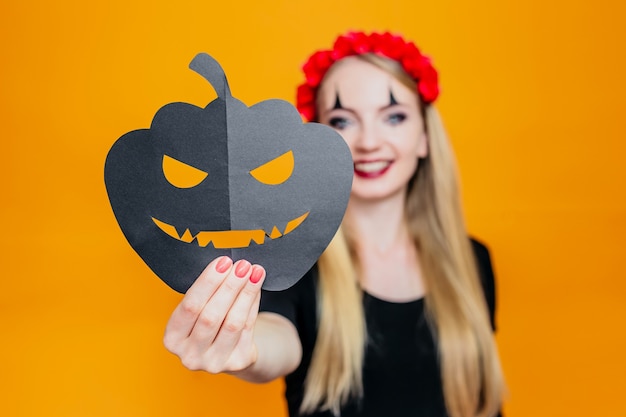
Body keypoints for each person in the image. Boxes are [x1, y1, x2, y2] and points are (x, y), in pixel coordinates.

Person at [163, 31, 505, 417]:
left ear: (424, 136)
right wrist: (243, 346)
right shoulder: (294, 261)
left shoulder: (472, 261)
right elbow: (276, 340)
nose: (369, 142)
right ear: (320, 143)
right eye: (343, 121)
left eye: (394, 116)